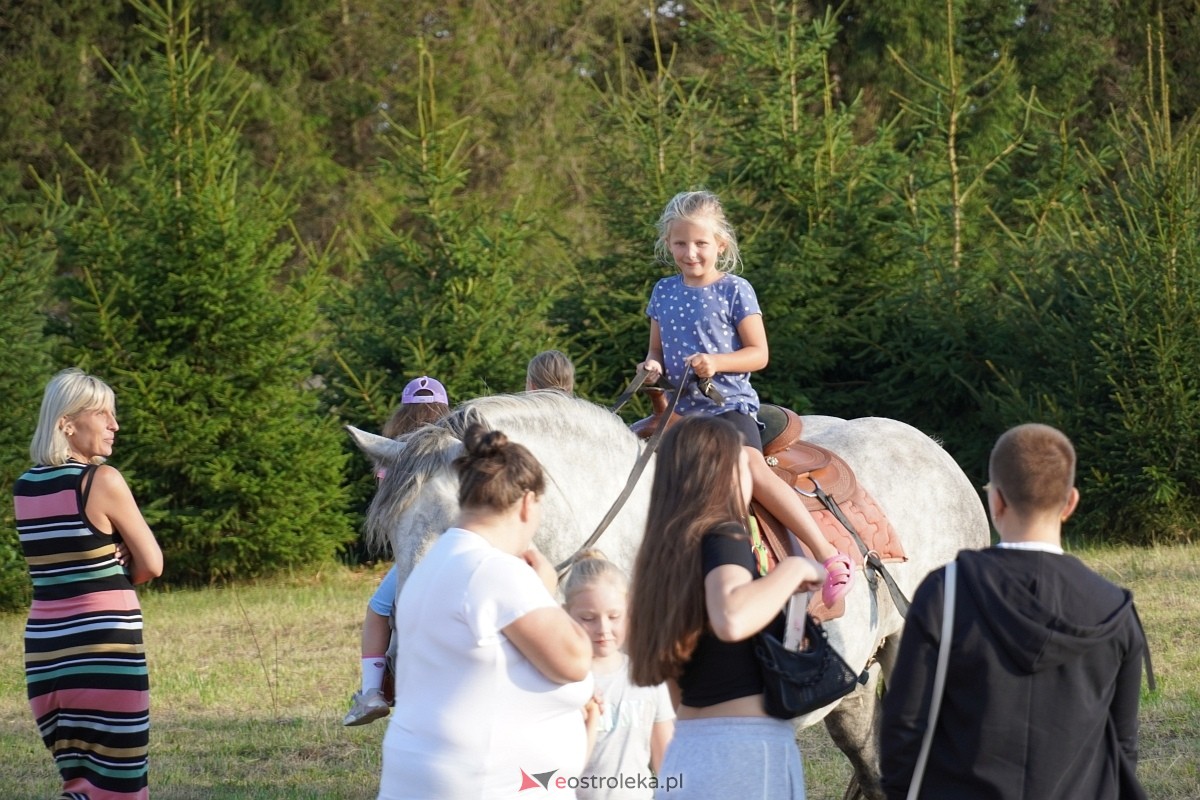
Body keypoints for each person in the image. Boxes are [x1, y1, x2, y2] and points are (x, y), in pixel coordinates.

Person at [880, 423, 1150, 799]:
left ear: (996, 502)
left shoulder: (946, 592)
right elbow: (1123, 745)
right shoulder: (1115, 608)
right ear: (1070, 502)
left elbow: (903, 724)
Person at [636, 189, 853, 609]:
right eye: (680, 243)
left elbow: (759, 354)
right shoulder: (663, 291)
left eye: (701, 243)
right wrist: (652, 368)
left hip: (728, 408)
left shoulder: (735, 289)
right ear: (668, 244)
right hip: (678, 415)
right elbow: (656, 352)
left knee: (751, 465)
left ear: (721, 245)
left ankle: (827, 555)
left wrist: (715, 362)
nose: (690, 253)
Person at [377, 423, 599, 799]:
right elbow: (574, 660)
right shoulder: (495, 571)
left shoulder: (433, 566)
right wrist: (546, 594)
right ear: (528, 503)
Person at [626, 415, 825, 799]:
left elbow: (673, 682)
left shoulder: (661, 559)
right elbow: (732, 618)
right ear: (726, 472)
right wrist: (795, 569)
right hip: (746, 753)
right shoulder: (724, 533)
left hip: (687, 748)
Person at [14, 367, 164, 800]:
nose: (115, 426)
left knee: (78, 784)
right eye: (103, 415)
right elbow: (152, 563)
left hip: (46, 655)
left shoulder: (25, 487)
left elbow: (62, 562)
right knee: (119, 785)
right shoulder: (102, 480)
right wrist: (126, 559)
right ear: (67, 422)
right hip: (104, 649)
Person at [344, 375, 451, 726]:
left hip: (420, 557)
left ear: (403, 414)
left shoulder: (390, 458)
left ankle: (372, 692)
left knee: (378, 611)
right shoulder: (457, 447)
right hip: (456, 551)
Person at [564, 550, 674, 799]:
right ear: (565, 614)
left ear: (629, 612)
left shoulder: (648, 678)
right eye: (588, 618)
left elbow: (665, 760)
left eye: (614, 617)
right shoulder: (561, 681)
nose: (603, 629)